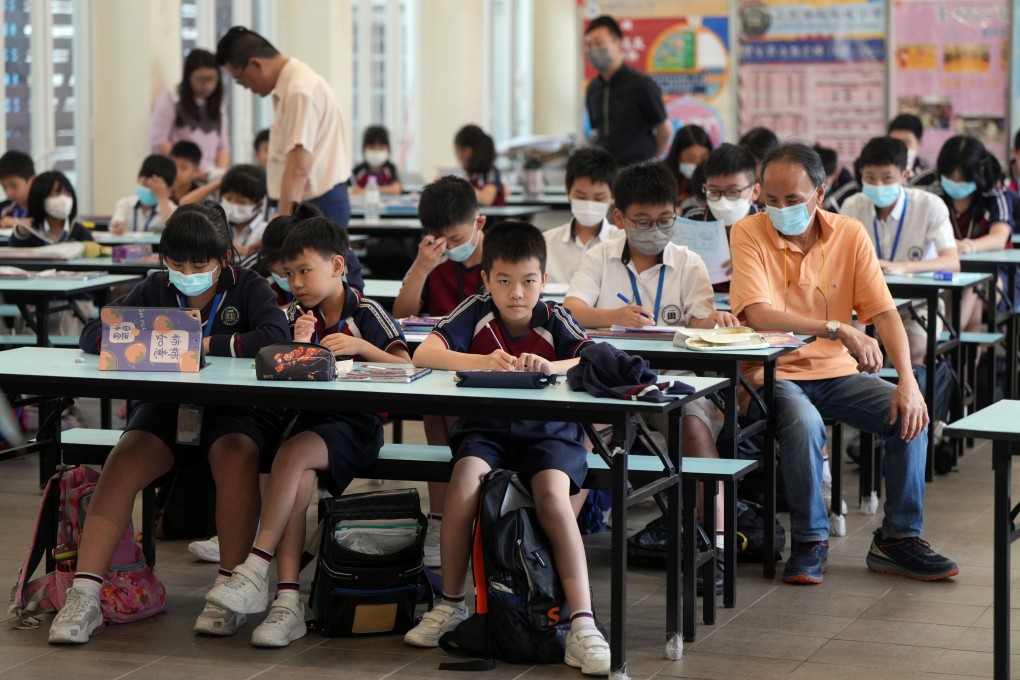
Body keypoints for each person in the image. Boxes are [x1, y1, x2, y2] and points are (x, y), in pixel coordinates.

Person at [48, 202, 290, 645]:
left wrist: (197, 340)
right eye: (176, 263)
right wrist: (159, 337)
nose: (187, 272)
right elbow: (92, 334)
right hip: (164, 409)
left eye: (199, 264)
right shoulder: (155, 286)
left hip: (231, 412)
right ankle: (84, 594)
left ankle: (227, 590)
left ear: (224, 259)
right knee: (122, 462)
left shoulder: (249, 287)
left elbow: (274, 339)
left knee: (238, 457)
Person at [728, 142, 958, 585]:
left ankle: (898, 539)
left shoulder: (850, 233)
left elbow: (885, 313)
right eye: (770, 200)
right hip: (772, 374)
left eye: (792, 200)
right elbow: (759, 314)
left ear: (820, 191)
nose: (779, 210)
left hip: (835, 374)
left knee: (910, 412)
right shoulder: (749, 232)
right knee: (804, 421)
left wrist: (908, 382)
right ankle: (811, 540)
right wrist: (837, 327)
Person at [403, 221, 611, 676]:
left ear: (544, 279)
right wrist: (481, 361)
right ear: (486, 280)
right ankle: (452, 604)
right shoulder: (474, 311)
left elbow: (591, 357)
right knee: (462, 483)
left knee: (554, 498)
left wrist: (550, 365)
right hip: (487, 432)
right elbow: (424, 354)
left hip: (549, 433)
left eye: (528, 281)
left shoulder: (555, 317)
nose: (517, 293)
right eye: (503, 281)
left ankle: (581, 623)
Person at [205, 216, 410, 648]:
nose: (295, 283)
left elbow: (407, 366)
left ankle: (257, 566)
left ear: (337, 266)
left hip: (355, 426)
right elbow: (273, 367)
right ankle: (287, 602)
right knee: (291, 469)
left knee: (291, 458)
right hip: (307, 422)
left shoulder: (365, 311)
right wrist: (295, 346)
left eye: (305, 271)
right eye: (289, 273)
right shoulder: (297, 314)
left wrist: (361, 348)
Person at [564, 162, 738, 558]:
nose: (655, 230)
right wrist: (612, 317)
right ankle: (555, 548)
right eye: (642, 221)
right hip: (610, 382)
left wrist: (717, 320)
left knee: (695, 428)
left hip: (671, 380)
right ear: (620, 218)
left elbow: (699, 319)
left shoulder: (688, 261)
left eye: (665, 220)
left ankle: (717, 546)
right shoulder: (599, 256)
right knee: (583, 440)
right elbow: (572, 309)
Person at [215, 27, 364, 290]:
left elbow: (298, 168)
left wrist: (283, 230)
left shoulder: (299, 91)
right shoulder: (293, 86)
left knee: (323, 291)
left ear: (256, 64)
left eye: (240, 79)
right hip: (304, 204)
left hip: (314, 205)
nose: (245, 87)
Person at [392, 176, 487, 568]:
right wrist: (421, 267)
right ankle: (439, 517)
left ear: (479, 224)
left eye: (456, 237)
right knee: (435, 411)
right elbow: (399, 315)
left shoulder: (501, 256)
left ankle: (467, 514)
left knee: (453, 415)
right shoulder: (435, 262)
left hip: (489, 363)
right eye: (438, 239)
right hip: (443, 365)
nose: (448, 247)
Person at [839, 136, 959, 366]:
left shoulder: (929, 205)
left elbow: (951, 261)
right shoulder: (852, 205)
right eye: (870, 178)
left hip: (917, 303)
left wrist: (903, 267)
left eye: (887, 178)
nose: (878, 186)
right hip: (864, 304)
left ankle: (912, 398)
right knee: (848, 352)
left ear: (905, 176)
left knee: (914, 352)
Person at [932, 135, 1012, 333]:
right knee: (968, 296)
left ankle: (941, 344)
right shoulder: (934, 197)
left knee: (972, 284)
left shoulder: (993, 196)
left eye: (962, 178)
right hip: (946, 272)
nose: (955, 183)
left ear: (977, 173)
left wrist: (969, 246)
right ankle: (957, 360)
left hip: (996, 276)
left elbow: (1000, 237)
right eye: (950, 177)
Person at [584, 15, 671, 166]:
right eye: (589, 45)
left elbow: (665, 131)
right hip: (604, 172)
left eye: (599, 43)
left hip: (637, 172)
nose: (593, 50)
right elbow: (595, 131)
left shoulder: (641, 84)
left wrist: (648, 161)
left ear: (618, 43)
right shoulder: (593, 88)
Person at [680, 143, 763, 293]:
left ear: (755, 191)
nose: (723, 200)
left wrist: (751, 263)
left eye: (733, 192)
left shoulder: (770, 224)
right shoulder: (693, 220)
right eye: (714, 191)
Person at [543, 147, 619, 285]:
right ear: (568, 192)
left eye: (599, 198)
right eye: (580, 196)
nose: (589, 204)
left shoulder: (622, 242)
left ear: (613, 197)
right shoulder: (546, 243)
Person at [150, 48, 230, 173]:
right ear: (188, 77)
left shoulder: (218, 104)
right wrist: (191, 169)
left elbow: (223, 146)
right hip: (181, 173)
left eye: (211, 79)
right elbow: (159, 140)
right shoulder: (171, 97)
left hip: (210, 174)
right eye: (200, 79)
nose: (207, 85)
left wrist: (219, 173)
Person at [9, 171, 92, 247]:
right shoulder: (32, 230)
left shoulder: (78, 230)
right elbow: (15, 249)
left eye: (67, 194)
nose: (63, 200)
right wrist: (21, 233)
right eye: (55, 194)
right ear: (39, 197)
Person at [109, 154, 177, 234]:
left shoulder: (172, 209)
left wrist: (162, 197)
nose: (149, 190)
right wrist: (116, 227)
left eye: (155, 189)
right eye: (146, 185)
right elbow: (115, 224)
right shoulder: (125, 204)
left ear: (169, 190)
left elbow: (173, 230)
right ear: (138, 178)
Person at [220, 164, 268, 258]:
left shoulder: (265, 231)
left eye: (241, 201)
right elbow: (183, 204)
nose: (233, 204)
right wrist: (222, 182)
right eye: (228, 198)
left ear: (259, 205)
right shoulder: (217, 225)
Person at [453, 124, 505, 206]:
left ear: (467, 152)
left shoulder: (490, 172)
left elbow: (487, 199)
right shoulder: (470, 174)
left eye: (457, 151)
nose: (457, 157)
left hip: (491, 218)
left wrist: (455, 187)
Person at [665, 125, 712, 202]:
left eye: (703, 159)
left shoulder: (715, 181)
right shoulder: (663, 180)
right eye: (690, 159)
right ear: (677, 156)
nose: (698, 164)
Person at [350, 125, 402, 195]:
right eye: (372, 147)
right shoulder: (358, 169)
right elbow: (351, 189)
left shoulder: (390, 168)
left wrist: (366, 191)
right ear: (363, 148)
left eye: (381, 147)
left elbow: (396, 189)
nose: (376, 151)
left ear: (388, 149)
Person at [888, 113, 936, 187]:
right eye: (895, 142)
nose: (901, 147)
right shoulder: (881, 171)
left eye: (907, 142)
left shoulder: (930, 175)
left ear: (919, 143)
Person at [814, 144, 858, 213]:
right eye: (815, 182)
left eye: (825, 182)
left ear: (835, 173)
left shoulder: (849, 187)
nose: (819, 187)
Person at [0, 150, 35, 228]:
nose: (9, 192)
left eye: (14, 186)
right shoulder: (4, 208)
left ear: (32, 180)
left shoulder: (43, 208)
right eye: (4, 187)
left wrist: (16, 223)